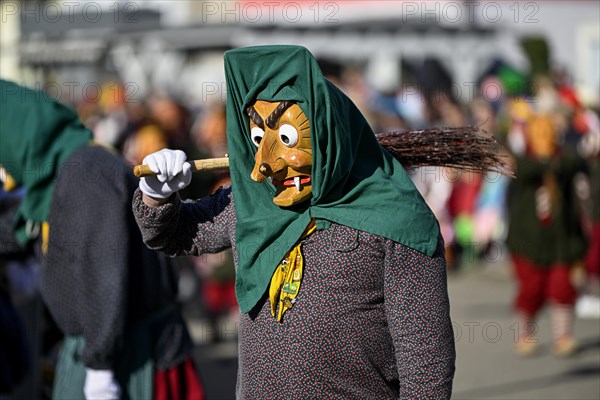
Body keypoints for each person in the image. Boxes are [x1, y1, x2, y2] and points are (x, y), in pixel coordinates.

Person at [133, 45, 455, 399]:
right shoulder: (254, 203)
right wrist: (157, 193)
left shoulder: (397, 220)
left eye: (285, 138)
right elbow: (176, 234)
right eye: (258, 140)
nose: (263, 165)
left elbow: (425, 363)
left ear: (327, 133)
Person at [0, 80, 203, 399]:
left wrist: (100, 366)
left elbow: (104, 269)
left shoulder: (85, 171)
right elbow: (22, 228)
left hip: (126, 353)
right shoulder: (60, 170)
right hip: (104, 343)